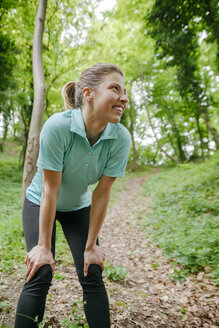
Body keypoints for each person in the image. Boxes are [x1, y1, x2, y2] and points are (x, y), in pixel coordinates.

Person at [14, 63, 131, 328]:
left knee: (92, 272)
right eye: (115, 88)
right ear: (88, 93)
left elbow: (102, 194)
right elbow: (49, 189)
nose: (124, 97)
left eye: (125, 91)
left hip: (79, 208)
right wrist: (43, 247)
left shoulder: (120, 137)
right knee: (40, 271)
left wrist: (91, 247)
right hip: (40, 201)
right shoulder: (58, 127)